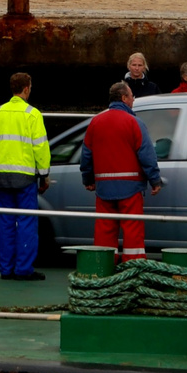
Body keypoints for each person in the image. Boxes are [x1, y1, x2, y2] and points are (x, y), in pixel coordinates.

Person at [79, 82, 163, 263]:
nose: (133, 100)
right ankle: (133, 268)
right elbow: (147, 155)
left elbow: (86, 154)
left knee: (105, 230)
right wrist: (155, 180)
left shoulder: (96, 122)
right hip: (130, 187)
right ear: (124, 98)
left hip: (103, 189)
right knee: (132, 230)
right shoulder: (134, 123)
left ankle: (103, 267)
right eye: (132, 96)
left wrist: (88, 179)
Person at [0, 73, 51, 281]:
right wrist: (44, 175)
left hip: (2, 177)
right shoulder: (33, 114)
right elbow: (40, 148)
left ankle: (6, 268)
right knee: (27, 222)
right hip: (25, 178)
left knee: (5, 222)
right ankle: (23, 269)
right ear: (27, 88)